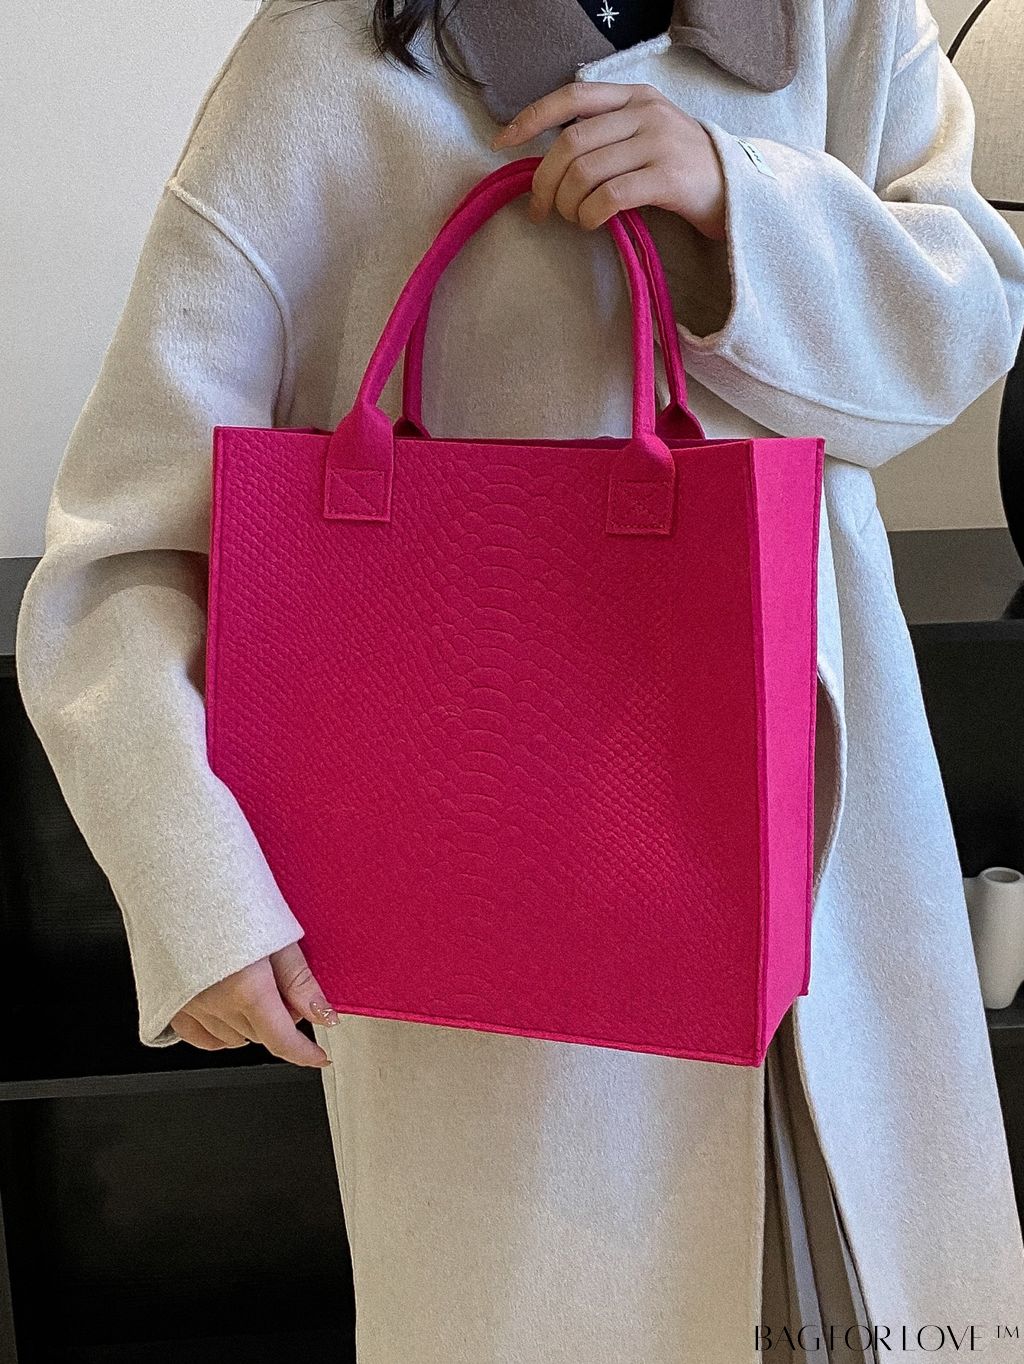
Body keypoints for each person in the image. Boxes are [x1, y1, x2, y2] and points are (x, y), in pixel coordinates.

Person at [14, 1, 1024, 1360]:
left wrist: (739, 201)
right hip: (499, 891)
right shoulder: (325, 69)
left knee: (880, 1288)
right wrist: (198, 884)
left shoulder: (840, 23)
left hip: (834, 887)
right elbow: (123, 552)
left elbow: (966, 323)